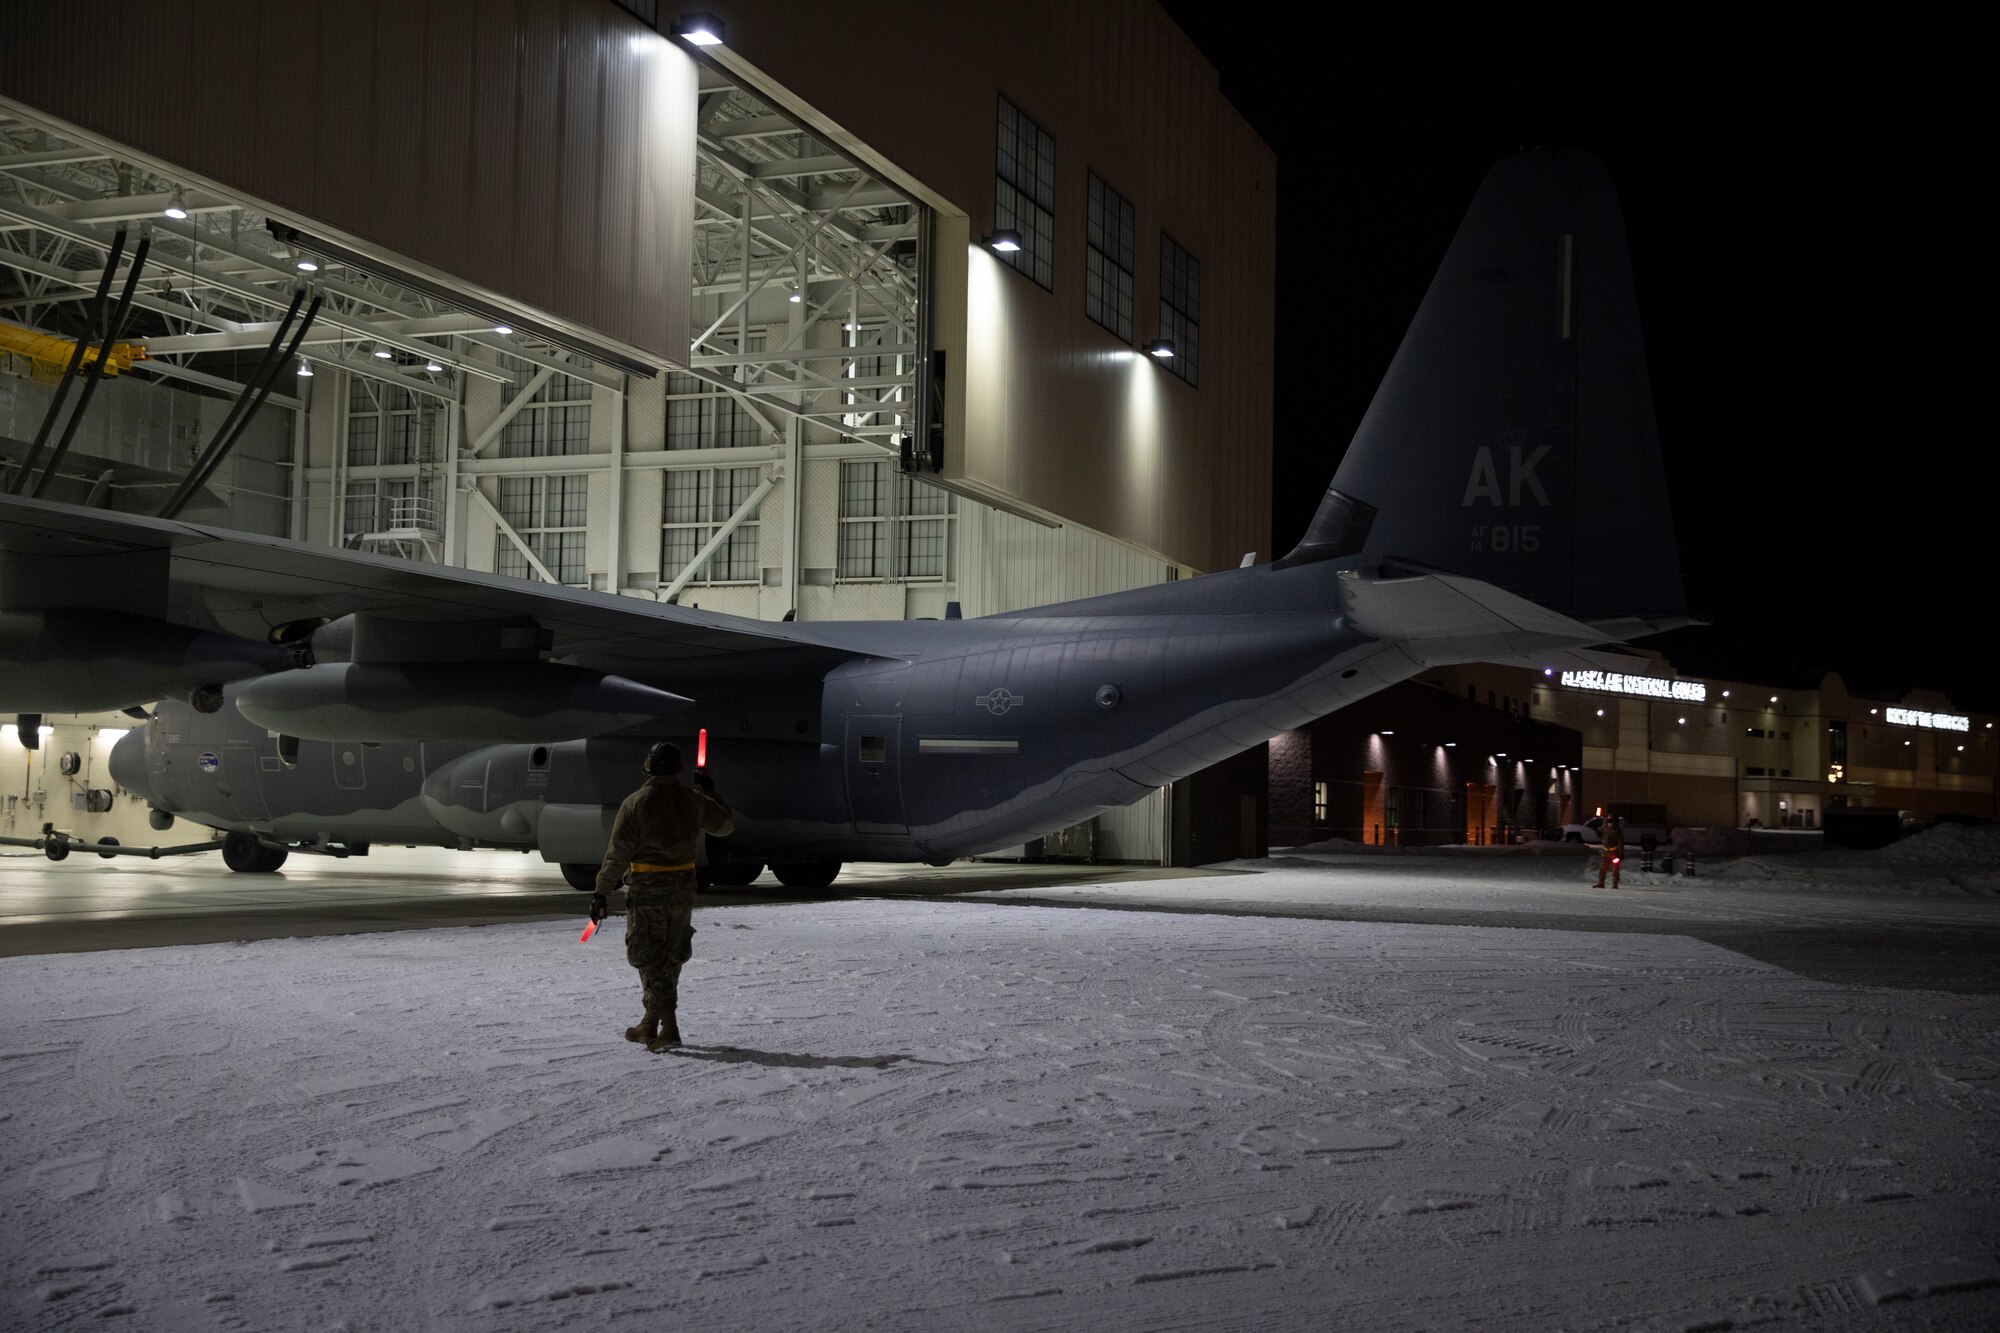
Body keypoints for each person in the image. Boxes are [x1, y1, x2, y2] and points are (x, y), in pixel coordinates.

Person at [591, 740, 733, 1051]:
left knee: (648, 956)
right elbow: (724, 825)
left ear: (648, 766)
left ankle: (669, 1028)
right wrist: (709, 791)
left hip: (649, 887)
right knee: (672, 953)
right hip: (683, 887)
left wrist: (602, 891)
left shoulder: (636, 803)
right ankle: (649, 1023)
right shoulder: (692, 799)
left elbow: (618, 854)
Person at [1592, 814, 1625, 889]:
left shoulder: (1617, 830)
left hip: (1614, 852)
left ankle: (1615, 884)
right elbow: (1600, 835)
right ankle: (1601, 883)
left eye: (1611, 820)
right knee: (1602, 868)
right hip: (1605, 852)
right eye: (1609, 820)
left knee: (1615, 869)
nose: (1610, 822)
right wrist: (1596, 829)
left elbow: (1620, 843)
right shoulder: (1604, 829)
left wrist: (1621, 853)